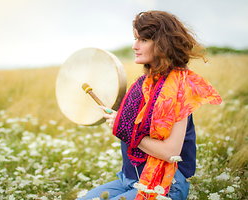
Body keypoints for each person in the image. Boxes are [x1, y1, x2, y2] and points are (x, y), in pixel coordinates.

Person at [78, 10, 222, 200]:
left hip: (164, 184)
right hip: (129, 178)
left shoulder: (179, 90)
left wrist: (123, 129)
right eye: (135, 39)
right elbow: (130, 125)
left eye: (143, 40)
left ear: (163, 44)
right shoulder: (143, 84)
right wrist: (118, 120)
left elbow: (170, 152)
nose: (134, 46)